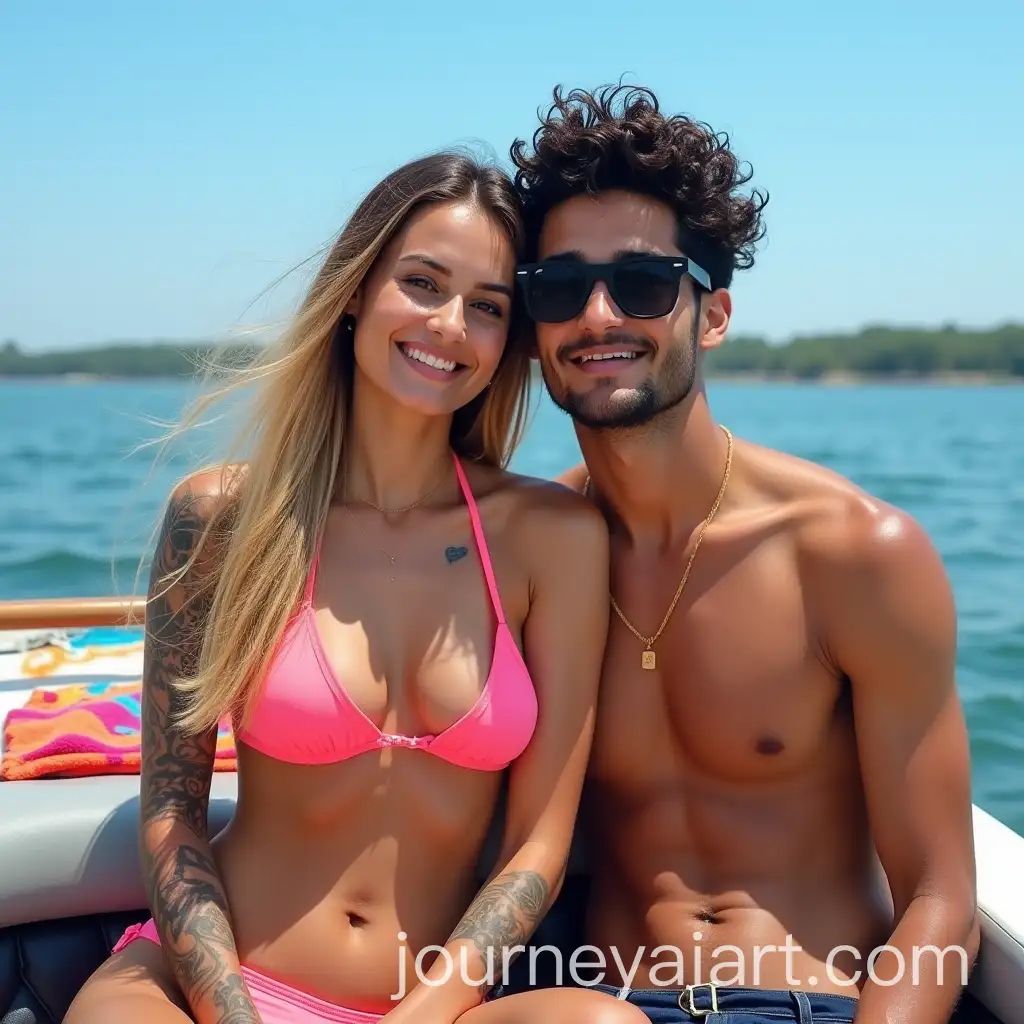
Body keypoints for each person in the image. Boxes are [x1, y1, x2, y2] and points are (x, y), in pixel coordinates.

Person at [65, 152, 649, 1024]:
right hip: (214, 994)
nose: (450, 325)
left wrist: (423, 1014)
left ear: (506, 342)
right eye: (421, 283)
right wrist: (229, 1011)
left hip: (432, 1011)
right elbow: (173, 812)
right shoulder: (225, 520)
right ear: (353, 294)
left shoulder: (550, 538)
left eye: (487, 307)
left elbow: (536, 846)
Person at [506, 85, 980, 1024]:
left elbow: (940, 900)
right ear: (532, 326)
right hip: (598, 1006)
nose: (599, 315)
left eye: (642, 284)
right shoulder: (527, 553)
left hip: (806, 1005)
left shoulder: (851, 554)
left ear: (711, 315)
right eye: (561, 287)